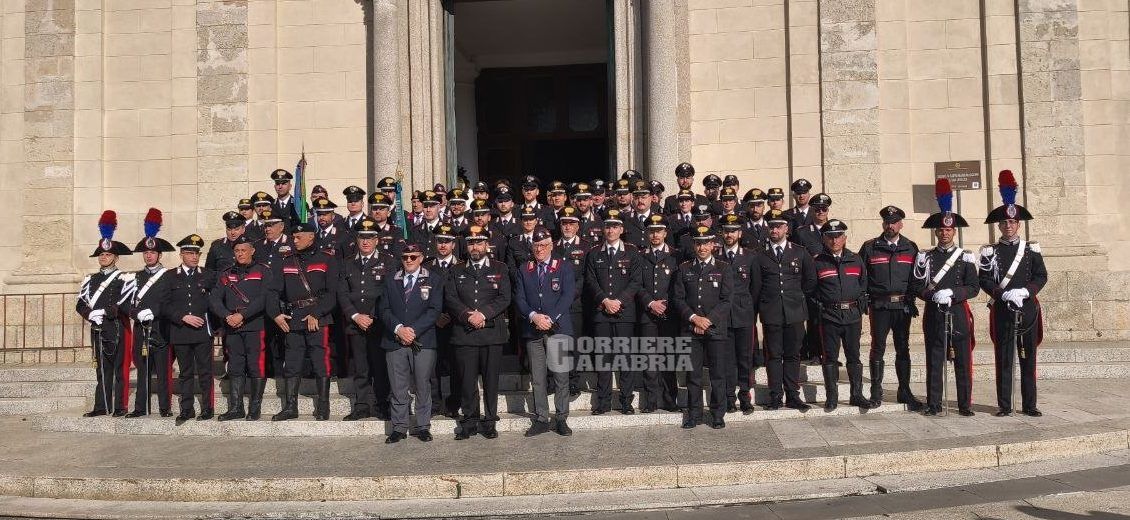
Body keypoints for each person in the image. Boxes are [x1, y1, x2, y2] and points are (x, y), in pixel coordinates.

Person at [980, 170, 1048, 417]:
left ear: (1018, 224)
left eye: (1012, 222)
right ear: (999, 225)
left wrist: (1026, 291)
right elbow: (984, 279)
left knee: (1028, 358)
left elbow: (1041, 276)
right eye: (1004, 223)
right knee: (1004, 358)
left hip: (1028, 308)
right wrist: (1001, 294)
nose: (1008, 226)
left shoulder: (1031, 250)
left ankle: (1030, 405)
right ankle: (1005, 405)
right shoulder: (990, 252)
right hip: (1003, 309)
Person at [910, 180, 979, 417]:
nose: (944, 233)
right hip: (935, 313)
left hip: (958, 312)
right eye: (940, 230)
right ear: (936, 232)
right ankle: (934, 403)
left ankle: (964, 404)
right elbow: (917, 285)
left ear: (954, 231)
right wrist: (932, 295)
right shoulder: (924, 257)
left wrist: (954, 293)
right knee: (934, 359)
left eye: (948, 230)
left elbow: (974, 287)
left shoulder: (966, 257)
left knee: (962, 361)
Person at [267, 221, 339, 422]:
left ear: (311, 237)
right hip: (294, 318)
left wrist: (317, 313)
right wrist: (276, 314)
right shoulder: (286, 260)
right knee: (292, 363)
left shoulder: (326, 259)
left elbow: (333, 293)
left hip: (318, 318)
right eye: (293, 237)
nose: (294, 240)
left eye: (299, 237)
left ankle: (323, 406)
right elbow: (273, 291)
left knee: (320, 361)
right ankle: (290, 407)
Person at [445, 226, 512, 440]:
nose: (475, 247)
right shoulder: (456, 270)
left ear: (486, 245)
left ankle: (490, 421)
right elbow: (451, 298)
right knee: (467, 380)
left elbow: (504, 297)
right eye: (471, 243)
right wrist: (467, 315)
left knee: (491, 380)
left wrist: (482, 314)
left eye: (479, 242)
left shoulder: (500, 268)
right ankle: (470, 421)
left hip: (491, 332)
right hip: (465, 333)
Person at [858, 205, 923, 410]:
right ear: (883, 224)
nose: (890, 226)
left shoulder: (911, 247)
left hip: (902, 306)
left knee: (903, 348)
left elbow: (916, 276)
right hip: (880, 306)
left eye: (894, 222)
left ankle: (904, 391)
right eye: (887, 222)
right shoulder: (870, 247)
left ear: (901, 224)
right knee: (878, 348)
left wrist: (912, 299)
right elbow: (862, 277)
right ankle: (876, 392)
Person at [379, 243, 445, 443]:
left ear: (421, 257)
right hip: (395, 340)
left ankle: (423, 425)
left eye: (413, 257)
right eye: (405, 257)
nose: (408, 260)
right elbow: (384, 310)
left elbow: (434, 310)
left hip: (422, 340)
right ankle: (399, 427)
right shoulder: (391, 279)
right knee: (398, 386)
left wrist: (413, 331)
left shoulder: (433, 279)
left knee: (423, 384)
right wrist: (399, 329)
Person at [513, 227, 575, 437]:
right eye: (536, 245)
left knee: (561, 376)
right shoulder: (525, 269)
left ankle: (561, 418)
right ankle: (541, 418)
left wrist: (550, 318)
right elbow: (519, 298)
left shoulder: (563, 267)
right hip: (533, 330)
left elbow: (568, 296)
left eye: (543, 245)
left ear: (551, 246)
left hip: (557, 328)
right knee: (537, 377)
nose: (539, 249)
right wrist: (534, 316)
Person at [754, 209, 816, 411]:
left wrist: (796, 298)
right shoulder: (760, 255)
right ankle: (775, 396)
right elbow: (757, 285)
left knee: (793, 354)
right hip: (771, 312)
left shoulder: (799, 252)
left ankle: (792, 395)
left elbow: (810, 280)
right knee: (773, 356)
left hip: (795, 311)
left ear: (786, 229)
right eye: (771, 226)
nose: (774, 230)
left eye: (778, 226)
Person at [672, 225, 734, 429]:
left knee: (717, 374)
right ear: (694, 245)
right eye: (698, 243)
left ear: (712, 244)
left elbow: (727, 300)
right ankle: (694, 413)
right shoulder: (684, 268)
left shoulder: (723, 268)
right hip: (691, 330)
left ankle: (718, 414)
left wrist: (707, 320)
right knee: (693, 375)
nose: (702, 247)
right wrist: (694, 318)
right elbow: (678, 299)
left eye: (706, 243)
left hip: (715, 329)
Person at [584, 209, 643, 415]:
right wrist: (604, 300)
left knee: (625, 358)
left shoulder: (632, 252)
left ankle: (626, 401)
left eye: (615, 226)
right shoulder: (593, 253)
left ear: (621, 229)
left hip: (624, 313)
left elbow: (636, 282)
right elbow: (590, 281)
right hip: (601, 313)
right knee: (603, 358)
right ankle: (603, 401)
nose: (611, 230)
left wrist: (618, 301)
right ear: (603, 229)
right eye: (608, 226)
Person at [337, 217, 395, 421]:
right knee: (360, 368)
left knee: (380, 367)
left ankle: (383, 404)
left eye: (370, 237)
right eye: (362, 237)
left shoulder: (389, 261)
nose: (366, 241)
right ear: (357, 239)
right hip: (356, 323)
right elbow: (342, 293)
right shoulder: (347, 263)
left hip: (378, 323)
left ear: (377, 240)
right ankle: (361, 405)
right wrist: (354, 315)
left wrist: (374, 316)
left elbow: (391, 293)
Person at [76, 210, 133, 417]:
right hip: (98, 328)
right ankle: (101, 406)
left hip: (116, 326)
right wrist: (90, 314)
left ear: (115, 257)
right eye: (101, 254)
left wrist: (105, 311)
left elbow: (127, 303)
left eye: (108, 254)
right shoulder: (89, 280)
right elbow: (80, 303)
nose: (104, 257)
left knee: (119, 369)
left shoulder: (124, 278)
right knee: (101, 370)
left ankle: (120, 406)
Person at [811, 220, 871, 412]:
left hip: (852, 316)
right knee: (829, 357)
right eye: (830, 236)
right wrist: (820, 310)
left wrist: (859, 307)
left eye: (838, 236)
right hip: (829, 317)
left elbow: (863, 285)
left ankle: (857, 395)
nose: (834, 240)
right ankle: (832, 397)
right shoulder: (818, 262)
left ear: (844, 238)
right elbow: (811, 290)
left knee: (854, 357)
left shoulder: (855, 259)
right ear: (824, 239)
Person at [209, 236, 270, 421]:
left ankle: (254, 407)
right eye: (237, 251)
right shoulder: (226, 274)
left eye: (244, 250)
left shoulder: (262, 271)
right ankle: (236, 408)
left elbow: (264, 298)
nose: (240, 254)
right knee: (235, 366)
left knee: (255, 365)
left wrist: (242, 315)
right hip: (232, 326)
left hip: (254, 325)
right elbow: (214, 299)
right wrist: (227, 316)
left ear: (252, 251)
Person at [124, 208, 176, 418]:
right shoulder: (134, 277)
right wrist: (136, 314)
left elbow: (170, 302)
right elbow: (125, 303)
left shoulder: (168, 276)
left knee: (163, 371)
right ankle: (140, 407)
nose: (148, 256)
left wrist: (153, 311)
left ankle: (165, 407)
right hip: (141, 329)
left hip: (160, 328)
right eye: (146, 253)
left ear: (159, 254)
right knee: (143, 370)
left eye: (152, 253)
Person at [167, 234, 217, 424]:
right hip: (180, 331)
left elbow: (215, 302)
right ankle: (186, 409)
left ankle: (207, 408)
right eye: (190, 253)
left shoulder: (208, 275)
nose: (194, 257)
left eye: (197, 253)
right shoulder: (170, 276)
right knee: (186, 373)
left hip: (203, 332)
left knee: (205, 372)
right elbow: (165, 304)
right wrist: (182, 317)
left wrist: (217, 325)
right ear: (182, 255)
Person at [636, 215, 681, 413]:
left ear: (665, 233)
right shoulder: (640, 255)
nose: (655, 234)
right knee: (649, 359)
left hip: (669, 314)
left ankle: (671, 399)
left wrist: (666, 304)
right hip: (648, 314)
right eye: (651, 231)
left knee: (668, 357)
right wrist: (650, 302)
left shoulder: (675, 255)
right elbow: (636, 284)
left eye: (659, 231)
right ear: (647, 233)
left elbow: (679, 286)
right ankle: (651, 400)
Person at [718, 214, 760, 414]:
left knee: (745, 358)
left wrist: (750, 308)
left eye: (733, 230)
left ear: (740, 233)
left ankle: (745, 396)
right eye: (726, 230)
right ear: (721, 233)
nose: (729, 234)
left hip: (744, 314)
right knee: (726, 359)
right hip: (722, 316)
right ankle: (728, 398)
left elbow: (756, 288)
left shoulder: (750, 256)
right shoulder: (716, 256)